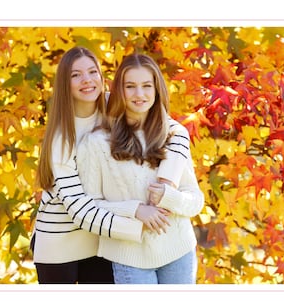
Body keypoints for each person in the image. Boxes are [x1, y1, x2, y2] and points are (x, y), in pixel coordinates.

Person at [31, 46, 187, 284]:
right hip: (60, 243)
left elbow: (173, 129)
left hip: (103, 240)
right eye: (76, 75)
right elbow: (79, 209)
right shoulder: (62, 138)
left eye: (93, 72)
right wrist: (137, 224)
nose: (87, 80)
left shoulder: (112, 106)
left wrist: (167, 180)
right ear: (65, 83)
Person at [77, 53, 204, 284]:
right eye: (130, 86)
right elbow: (89, 207)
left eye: (147, 86)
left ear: (157, 90)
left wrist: (169, 197)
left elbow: (196, 200)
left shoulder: (174, 136)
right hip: (129, 256)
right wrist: (136, 210)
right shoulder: (96, 143)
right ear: (119, 90)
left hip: (179, 252)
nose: (140, 94)